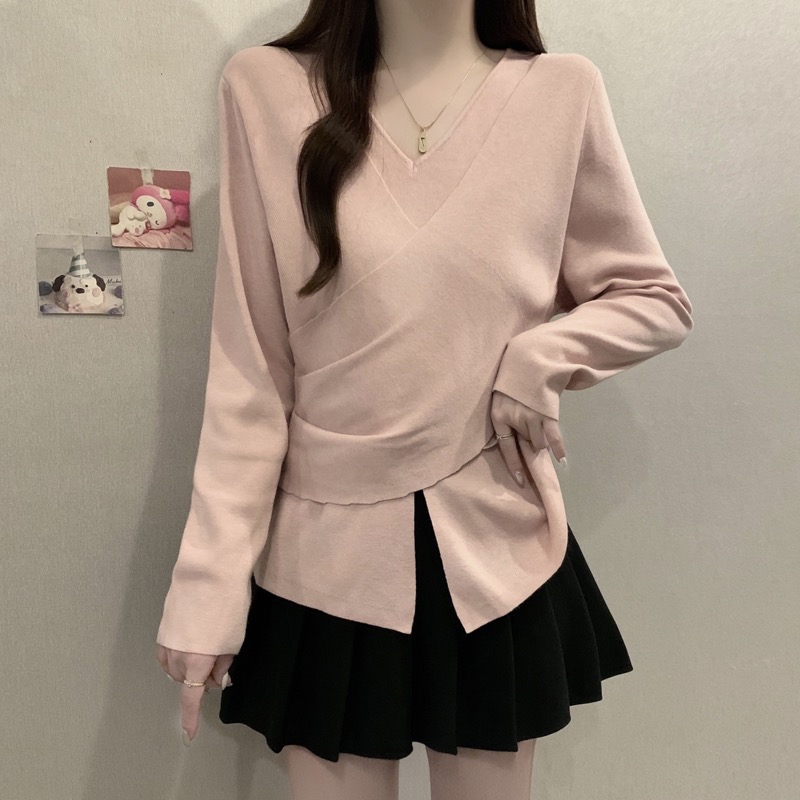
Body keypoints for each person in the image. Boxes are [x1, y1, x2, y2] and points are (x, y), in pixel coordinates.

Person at [155, 1, 694, 797]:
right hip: (324, 554)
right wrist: (209, 584)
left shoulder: (562, 92)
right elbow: (250, 370)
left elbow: (652, 297)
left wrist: (542, 355)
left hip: (496, 549)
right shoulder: (264, 89)